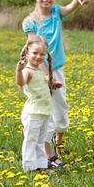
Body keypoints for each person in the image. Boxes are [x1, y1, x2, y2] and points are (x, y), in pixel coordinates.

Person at [22, 0, 89, 168]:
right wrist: (45, 75)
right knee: (43, 110)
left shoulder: (57, 13)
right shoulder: (30, 22)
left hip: (57, 70)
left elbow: (69, 8)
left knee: (60, 108)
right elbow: (33, 48)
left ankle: (58, 142)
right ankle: (47, 154)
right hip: (38, 72)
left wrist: (78, 0)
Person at [16, 36, 62, 173]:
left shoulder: (40, 71)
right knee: (31, 140)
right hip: (33, 113)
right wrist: (18, 70)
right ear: (27, 53)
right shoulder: (27, 71)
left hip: (45, 111)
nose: (38, 56)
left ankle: (42, 165)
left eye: (42, 54)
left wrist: (53, 84)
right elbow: (21, 83)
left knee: (41, 140)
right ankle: (30, 167)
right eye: (35, 53)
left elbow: (43, 84)